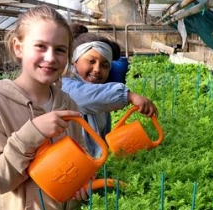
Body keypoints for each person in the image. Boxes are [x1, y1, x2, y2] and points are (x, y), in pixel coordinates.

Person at [0, 5, 91, 210]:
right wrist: (31, 133)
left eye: (60, 50)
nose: (50, 57)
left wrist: (83, 182)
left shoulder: (67, 103)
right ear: (18, 48)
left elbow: (79, 157)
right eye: (40, 46)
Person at [62, 23, 158, 158]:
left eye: (105, 65)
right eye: (91, 61)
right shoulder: (64, 85)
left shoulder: (100, 93)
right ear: (74, 62)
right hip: (68, 164)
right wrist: (128, 95)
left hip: (91, 165)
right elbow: (81, 98)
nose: (97, 69)